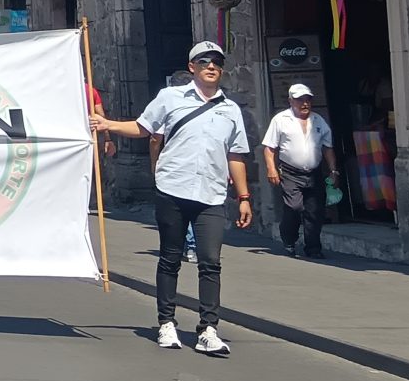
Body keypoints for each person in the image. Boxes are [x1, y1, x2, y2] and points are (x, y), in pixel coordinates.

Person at [90, 39, 251, 356]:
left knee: (210, 262)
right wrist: (108, 125)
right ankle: (166, 322)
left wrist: (244, 196)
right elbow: (143, 128)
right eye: (204, 61)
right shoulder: (171, 98)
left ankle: (208, 329)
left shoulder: (230, 110)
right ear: (192, 67)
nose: (211, 66)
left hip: (211, 194)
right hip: (173, 189)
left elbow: (235, 154)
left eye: (216, 62)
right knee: (170, 257)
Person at [262, 82, 333, 260]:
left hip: (314, 172)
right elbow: (269, 147)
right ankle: (289, 239)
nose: (304, 103)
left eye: (307, 99)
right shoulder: (280, 120)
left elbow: (327, 147)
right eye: (300, 100)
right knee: (294, 207)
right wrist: (271, 169)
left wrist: (334, 171)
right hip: (290, 172)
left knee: (314, 211)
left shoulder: (318, 120)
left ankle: (313, 247)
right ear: (290, 101)